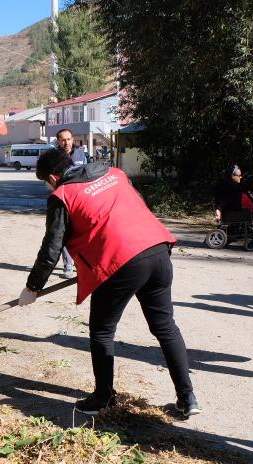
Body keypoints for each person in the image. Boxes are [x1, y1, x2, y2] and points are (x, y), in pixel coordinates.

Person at [19, 148, 201, 417]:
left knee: (102, 331)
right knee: (165, 326)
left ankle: (103, 396)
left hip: (121, 260)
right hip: (157, 249)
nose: (48, 187)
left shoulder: (63, 195)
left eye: (46, 181)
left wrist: (33, 287)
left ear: (54, 177)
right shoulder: (115, 173)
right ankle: (188, 398)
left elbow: (51, 249)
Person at [55, 128, 87, 278]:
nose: (66, 142)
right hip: (64, 200)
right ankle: (68, 265)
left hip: (82, 199)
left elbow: (87, 174)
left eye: (68, 139)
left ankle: (82, 264)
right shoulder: (54, 157)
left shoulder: (81, 154)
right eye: (63, 139)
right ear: (58, 141)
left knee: (83, 232)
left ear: (72, 139)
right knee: (65, 233)